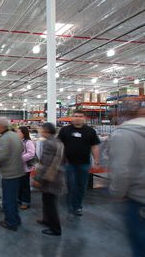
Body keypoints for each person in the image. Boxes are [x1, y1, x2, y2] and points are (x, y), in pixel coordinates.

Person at [108, 107, 145, 257]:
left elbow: (121, 169)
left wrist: (117, 192)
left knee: (139, 244)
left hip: (138, 198)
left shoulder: (123, 134)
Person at [58, 110, 100, 217]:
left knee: (81, 186)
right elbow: (59, 146)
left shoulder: (90, 131)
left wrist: (96, 161)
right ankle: (71, 205)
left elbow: (94, 146)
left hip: (84, 164)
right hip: (69, 163)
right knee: (71, 185)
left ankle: (77, 206)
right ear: (72, 117)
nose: (78, 118)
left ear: (84, 118)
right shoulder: (65, 130)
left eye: (80, 116)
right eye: (75, 116)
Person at [0, 117, 24, 231]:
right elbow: (21, 150)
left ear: (1, 126)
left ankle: (11, 223)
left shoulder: (4, 138)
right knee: (13, 199)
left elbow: (2, 156)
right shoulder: (14, 135)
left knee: (8, 200)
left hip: (9, 173)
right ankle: (16, 219)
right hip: (18, 170)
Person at [33, 123, 65, 236]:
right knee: (47, 201)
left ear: (46, 131)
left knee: (50, 204)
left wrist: (37, 178)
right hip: (56, 176)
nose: (41, 132)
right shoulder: (57, 142)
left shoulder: (49, 143)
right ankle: (46, 220)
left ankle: (55, 229)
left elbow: (45, 164)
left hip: (50, 178)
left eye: (42, 130)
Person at [17, 126, 36, 210]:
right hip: (19, 168)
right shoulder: (19, 141)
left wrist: (20, 159)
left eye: (19, 132)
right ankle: (20, 200)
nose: (17, 133)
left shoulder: (28, 142)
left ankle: (26, 202)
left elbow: (31, 154)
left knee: (25, 186)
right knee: (20, 185)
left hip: (25, 168)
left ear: (23, 133)